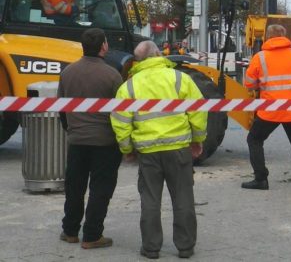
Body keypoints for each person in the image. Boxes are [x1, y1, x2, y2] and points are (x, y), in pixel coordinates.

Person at [110, 41, 207, 260]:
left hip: (148, 152)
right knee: (183, 197)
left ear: (138, 60)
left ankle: (151, 247)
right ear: (158, 54)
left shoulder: (129, 86)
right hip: (179, 149)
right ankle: (185, 247)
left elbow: (120, 121)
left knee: (150, 199)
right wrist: (197, 139)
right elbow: (198, 112)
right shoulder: (180, 79)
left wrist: (127, 148)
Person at [57, 27, 123, 249]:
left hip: (77, 141)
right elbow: (120, 111)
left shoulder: (68, 73)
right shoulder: (113, 75)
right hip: (105, 142)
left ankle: (70, 231)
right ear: (104, 46)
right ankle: (92, 235)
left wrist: (71, 129)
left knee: (74, 187)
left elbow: (61, 107)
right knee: (100, 188)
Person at [242, 24, 291, 190]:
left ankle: (261, 179)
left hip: (270, 110)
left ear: (268, 37)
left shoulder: (260, 57)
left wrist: (259, 84)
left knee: (254, 140)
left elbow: (248, 83)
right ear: (285, 36)